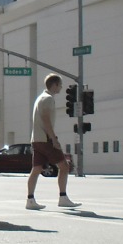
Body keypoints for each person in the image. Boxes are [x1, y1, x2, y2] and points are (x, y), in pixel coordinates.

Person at [26, 73, 81, 209]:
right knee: (64, 166)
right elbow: (46, 119)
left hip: (36, 139)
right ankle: (63, 197)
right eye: (60, 85)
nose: (61, 88)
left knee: (36, 169)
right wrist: (53, 139)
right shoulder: (48, 99)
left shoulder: (40, 98)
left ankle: (30, 200)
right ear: (54, 85)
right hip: (45, 140)